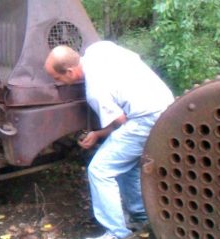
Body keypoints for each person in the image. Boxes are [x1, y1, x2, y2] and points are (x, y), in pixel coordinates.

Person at [44, 41, 174, 239]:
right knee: (126, 164)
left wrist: (97, 134)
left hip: (146, 119)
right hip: (167, 105)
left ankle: (116, 233)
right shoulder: (98, 48)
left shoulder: (94, 91)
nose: (59, 82)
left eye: (57, 77)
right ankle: (141, 216)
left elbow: (121, 122)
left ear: (70, 71)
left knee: (100, 169)